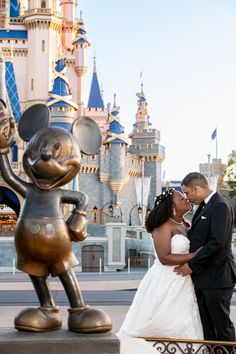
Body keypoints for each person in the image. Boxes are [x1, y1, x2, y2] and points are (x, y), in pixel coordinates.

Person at [117, 188, 204, 343]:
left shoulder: (186, 224)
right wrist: (195, 255)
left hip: (184, 280)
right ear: (172, 207)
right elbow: (164, 257)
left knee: (184, 320)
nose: (186, 199)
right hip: (165, 280)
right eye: (181, 198)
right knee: (161, 320)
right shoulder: (163, 226)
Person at [175, 172, 236, 341]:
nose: (186, 198)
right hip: (204, 278)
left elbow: (216, 243)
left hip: (217, 278)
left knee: (221, 326)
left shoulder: (220, 205)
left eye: (187, 193)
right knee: (207, 327)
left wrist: (192, 265)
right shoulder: (204, 206)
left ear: (196, 189)